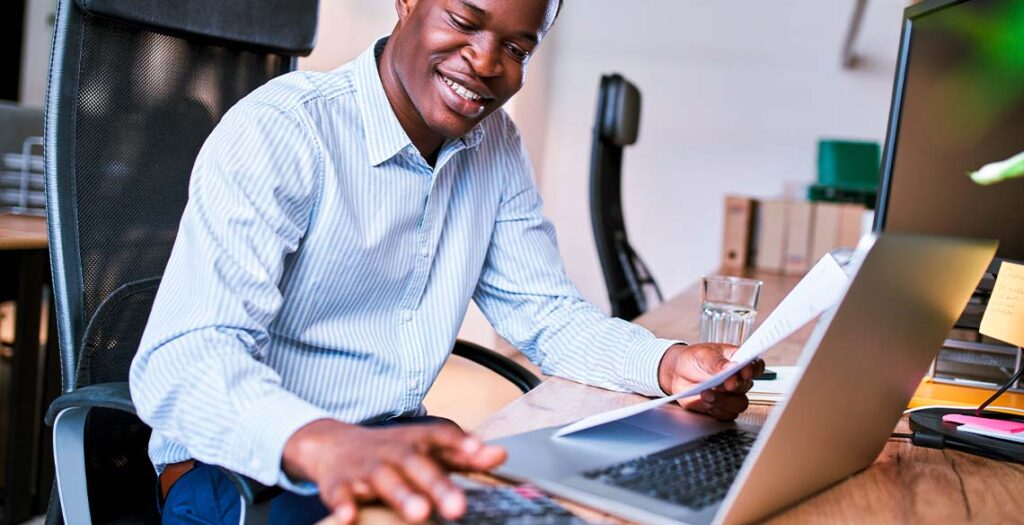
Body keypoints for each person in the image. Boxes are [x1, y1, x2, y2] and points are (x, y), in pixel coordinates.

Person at [129, 0, 764, 523]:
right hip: (241, 474)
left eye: (516, 49)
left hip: (389, 444)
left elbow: (546, 314)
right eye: (464, 21)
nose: (487, 62)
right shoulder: (285, 131)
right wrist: (322, 442)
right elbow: (182, 360)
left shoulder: (494, 145)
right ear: (406, 2)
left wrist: (668, 363)